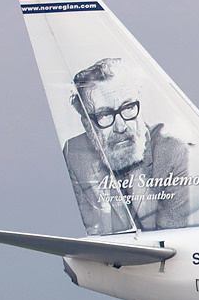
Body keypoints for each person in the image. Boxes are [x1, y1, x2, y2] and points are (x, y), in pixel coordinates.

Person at [63, 57, 190, 233]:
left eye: (128, 107)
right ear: (87, 124)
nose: (121, 127)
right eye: (105, 115)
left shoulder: (172, 152)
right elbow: (100, 233)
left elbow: (173, 235)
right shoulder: (76, 154)